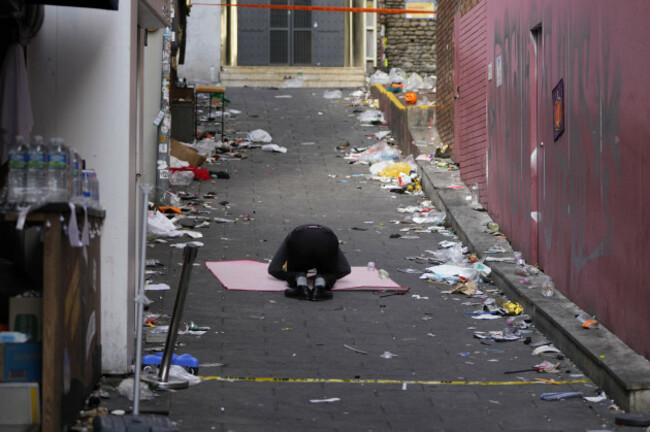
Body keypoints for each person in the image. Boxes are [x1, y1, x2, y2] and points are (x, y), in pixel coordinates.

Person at [268, 224, 351, 301]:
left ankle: (300, 283)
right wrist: (327, 276)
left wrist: (292, 275)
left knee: (295, 270)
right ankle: (320, 284)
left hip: (299, 241)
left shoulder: (292, 234)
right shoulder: (329, 235)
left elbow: (274, 269)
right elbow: (345, 269)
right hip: (326, 240)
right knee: (328, 272)